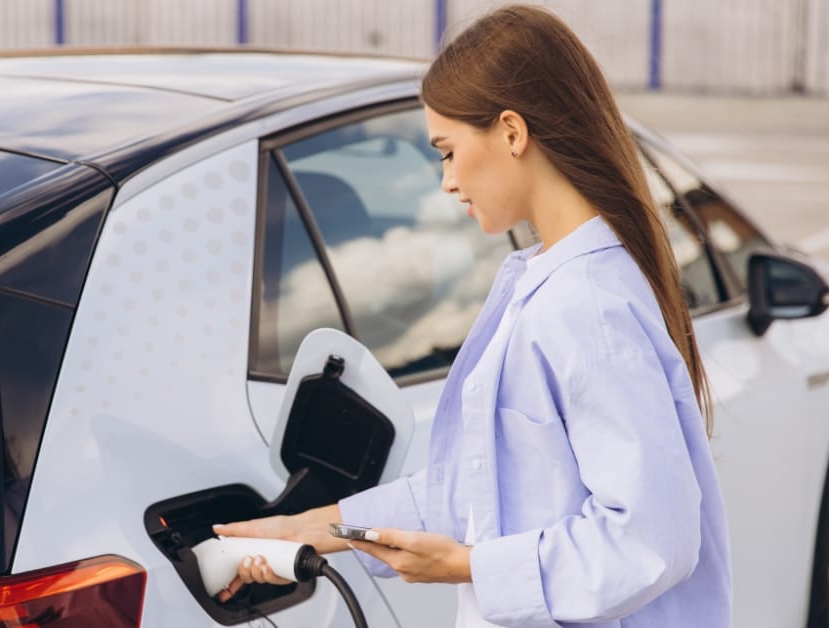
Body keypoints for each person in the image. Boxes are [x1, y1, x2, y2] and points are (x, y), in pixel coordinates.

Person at [213, 4, 732, 627]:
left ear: (511, 132)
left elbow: (651, 538)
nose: (447, 182)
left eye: (448, 151)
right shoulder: (546, 282)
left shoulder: (586, 306)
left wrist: (469, 566)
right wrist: (305, 530)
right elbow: (474, 490)